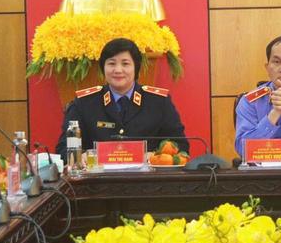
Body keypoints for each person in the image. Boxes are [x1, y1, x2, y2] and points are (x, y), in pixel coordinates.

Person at [57, 37, 186, 155]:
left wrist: (155, 156)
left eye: (125, 64)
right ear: (103, 68)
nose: (118, 70)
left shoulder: (158, 102)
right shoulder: (84, 103)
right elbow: (63, 149)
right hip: (97, 173)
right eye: (111, 64)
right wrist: (81, 156)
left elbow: (180, 145)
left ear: (136, 67)